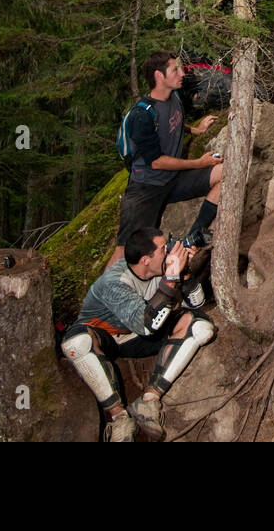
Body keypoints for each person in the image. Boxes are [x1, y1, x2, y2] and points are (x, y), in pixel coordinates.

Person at [61, 228, 214, 442]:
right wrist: (170, 278)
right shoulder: (115, 281)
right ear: (145, 260)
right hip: (106, 337)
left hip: (138, 335)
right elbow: (147, 326)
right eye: (164, 249)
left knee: (200, 327)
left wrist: (185, 272)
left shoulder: (162, 267)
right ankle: (119, 419)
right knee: (76, 342)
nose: (170, 250)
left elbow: (197, 304)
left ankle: (149, 401)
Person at [112, 51, 223, 266]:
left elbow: (174, 122)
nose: (182, 73)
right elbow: (156, 161)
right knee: (124, 251)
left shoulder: (174, 98)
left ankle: (194, 235)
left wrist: (196, 130)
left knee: (225, 173)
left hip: (172, 181)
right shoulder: (142, 115)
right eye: (175, 70)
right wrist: (199, 163)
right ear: (159, 76)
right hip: (146, 189)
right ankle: (99, 298)